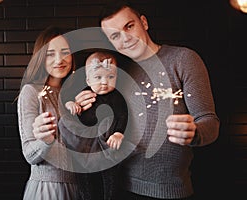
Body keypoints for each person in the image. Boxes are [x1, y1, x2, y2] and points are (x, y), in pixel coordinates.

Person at [74, 0, 220, 199]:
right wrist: (83, 106)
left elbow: (210, 123)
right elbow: (97, 127)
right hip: (118, 186)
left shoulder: (183, 59)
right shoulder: (115, 74)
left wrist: (195, 132)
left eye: (129, 26)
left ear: (143, 22)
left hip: (171, 190)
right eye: (115, 36)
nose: (125, 38)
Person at [17, 26, 82, 200]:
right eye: (50, 53)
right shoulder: (31, 92)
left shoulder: (75, 92)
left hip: (81, 186)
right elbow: (30, 155)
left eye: (65, 52)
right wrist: (46, 140)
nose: (59, 60)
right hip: (49, 188)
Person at [59, 51, 128, 200]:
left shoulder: (117, 97)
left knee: (111, 179)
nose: (104, 82)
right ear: (88, 80)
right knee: (84, 180)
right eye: (98, 77)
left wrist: (119, 133)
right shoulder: (85, 93)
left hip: (106, 146)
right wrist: (71, 104)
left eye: (110, 77)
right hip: (85, 146)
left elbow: (122, 115)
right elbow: (74, 112)